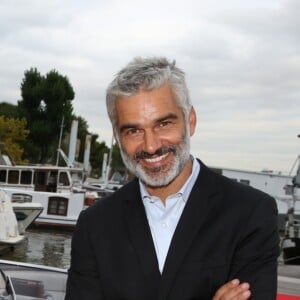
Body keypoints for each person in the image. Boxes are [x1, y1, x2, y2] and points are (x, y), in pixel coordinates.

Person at [65, 57, 279, 299]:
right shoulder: (95, 225)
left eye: (163, 124)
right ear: (117, 136)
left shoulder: (250, 213)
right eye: (133, 130)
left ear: (191, 121)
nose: (151, 145)